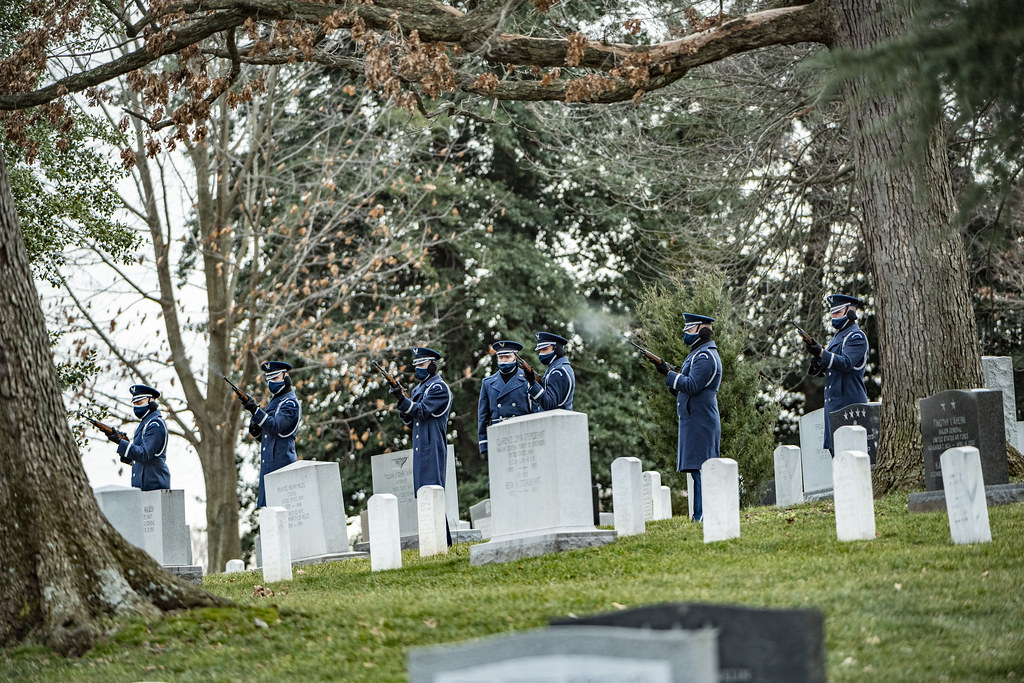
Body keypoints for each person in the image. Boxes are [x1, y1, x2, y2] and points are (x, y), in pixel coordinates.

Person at [643, 314, 722, 522]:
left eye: (690, 329)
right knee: (696, 470)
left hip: (701, 419)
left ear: (703, 331)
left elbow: (693, 385)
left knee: (702, 470)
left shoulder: (705, 356)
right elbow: (682, 388)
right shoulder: (696, 354)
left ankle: (703, 515)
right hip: (693, 418)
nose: (685, 334)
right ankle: (699, 515)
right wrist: (667, 371)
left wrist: (669, 374)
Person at [392, 346, 454, 543]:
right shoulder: (418, 389)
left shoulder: (438, 388)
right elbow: (411, 421)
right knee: (424, 494)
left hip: (432, 443)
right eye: (416, 364)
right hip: (420, 444)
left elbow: (422, 411)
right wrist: (402, 404)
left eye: (422, 363)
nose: (418, 367)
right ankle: (432, 538)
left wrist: (403, 401)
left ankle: (442, 539)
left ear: (433, 365)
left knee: (433, 491)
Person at [806, 294, 868, 453]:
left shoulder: (856, 336)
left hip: (849, 405)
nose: (834, 317)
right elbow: (833, 369)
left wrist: (821, 353)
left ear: (850, 312)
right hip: (833, 407)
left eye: (837, 312)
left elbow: (846, 364)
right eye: (832, 313)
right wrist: (818, 363)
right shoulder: (837, 338)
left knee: (851, 456)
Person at [241, 360, 302, 507]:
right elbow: (268, 438)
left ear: (286, 377)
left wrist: (255, 411)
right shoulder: (274, 403)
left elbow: (275, 427)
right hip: (268, 471)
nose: (271, 382)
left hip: (283, 469)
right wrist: (255, 428)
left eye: (275, 378)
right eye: (269, 379)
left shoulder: (290, 404)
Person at [477, 340, 533, 458]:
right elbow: (483, 416)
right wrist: (484, 446)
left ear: (515, 357)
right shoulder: (487, 383)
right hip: (498, 438)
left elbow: (536, 412)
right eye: (501, 357)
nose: (504, 360)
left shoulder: (528, 380)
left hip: (523, 437)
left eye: (507, 356)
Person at [109, 384, 170, 491]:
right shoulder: (145, 424)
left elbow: (144, 454)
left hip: (154, 486)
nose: (137, 407)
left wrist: (121, 442)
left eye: (140, 402)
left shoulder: (155, 424)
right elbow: (137, 461)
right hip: (142, 487)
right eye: (135, 404)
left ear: (151, 401)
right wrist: (122, 442)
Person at [526, 331, 575, 412]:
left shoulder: (558, 372)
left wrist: (533, 384)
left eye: (545, 349)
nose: (541, 353)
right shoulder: (555, 368)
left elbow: (550, 405)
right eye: (540, 350)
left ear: (557, 349)